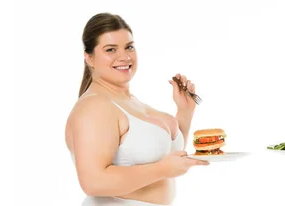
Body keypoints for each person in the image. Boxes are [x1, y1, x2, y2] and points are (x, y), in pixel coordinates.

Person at [64, 13, 209, 206]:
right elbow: (93, 182)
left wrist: (185, 111)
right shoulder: (94, 106)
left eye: (129, 47)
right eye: (110, 49)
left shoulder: (129, 102)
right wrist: (163, 169)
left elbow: (167, 158)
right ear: (89, 58)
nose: (124, 57)